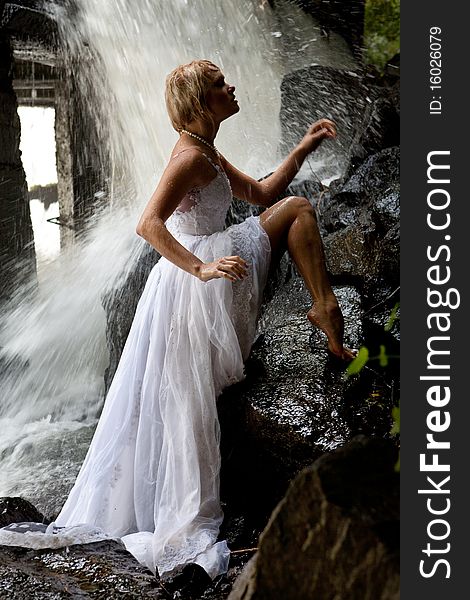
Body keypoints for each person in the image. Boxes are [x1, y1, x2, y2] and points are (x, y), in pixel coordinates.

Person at [0, 60, 354, 583]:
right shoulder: (188, 156)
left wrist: (301, 148)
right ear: (200, 103)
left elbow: (259, 195)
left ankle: (322, 306)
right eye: (219, 85)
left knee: (295, 205)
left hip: (209, 268)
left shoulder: (205, 148)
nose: (231, 87)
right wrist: (202, 267)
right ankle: (324, 306)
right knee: (187, 401)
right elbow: (148, 223)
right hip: (198, 283)